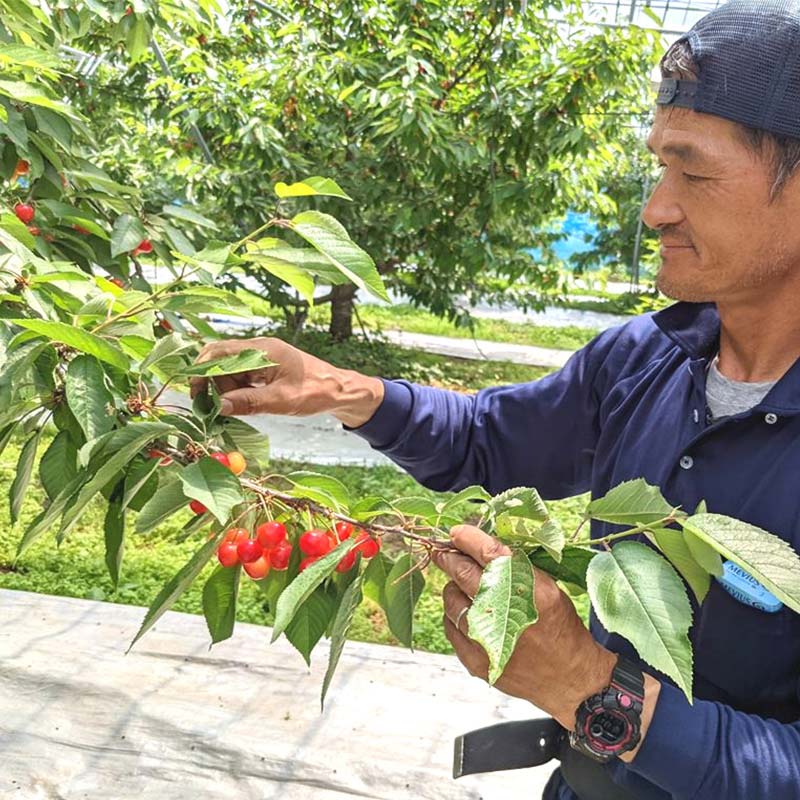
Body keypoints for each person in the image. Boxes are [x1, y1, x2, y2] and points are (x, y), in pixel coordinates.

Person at [190, 1, 800, 796]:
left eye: (694, 170)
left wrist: (589, 687)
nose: (656, 207)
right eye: (659, 165)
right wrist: (339, 389)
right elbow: (491, 438)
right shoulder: (649, 356)